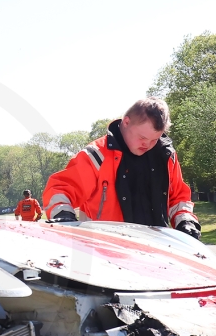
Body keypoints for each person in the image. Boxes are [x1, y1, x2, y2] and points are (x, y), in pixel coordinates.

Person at [42, 98, 200, 238]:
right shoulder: (97, 155)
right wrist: (63, 216)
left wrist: (186, 221)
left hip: (156, 251)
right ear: (126, 122)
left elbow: (178, 198)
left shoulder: (166, 156)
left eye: (155, 139)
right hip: (104, 251)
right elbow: (60, 189)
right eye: (142, 137)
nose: (148, 145)